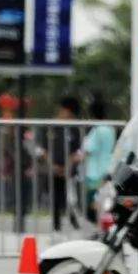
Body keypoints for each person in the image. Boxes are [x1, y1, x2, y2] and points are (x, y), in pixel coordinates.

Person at [47, 97, 83, 231]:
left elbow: (78, 150)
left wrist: (68, 166)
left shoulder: (76, 128)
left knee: (71, 199)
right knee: (56, 199)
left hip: (70, 170)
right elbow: (45, 148)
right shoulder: (53, 126)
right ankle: (56, 227)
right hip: (55, 169)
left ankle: (76, 224)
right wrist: (52, 164)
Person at [82, 95, 116, 222]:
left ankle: (100, 229)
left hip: (95, 173)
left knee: (94, 206)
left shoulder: (97, 130)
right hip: (107, 169)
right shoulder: (110, 128)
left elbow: (88, 150)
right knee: (104, 202)